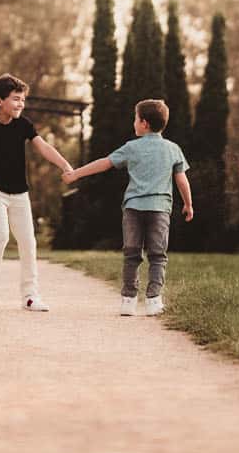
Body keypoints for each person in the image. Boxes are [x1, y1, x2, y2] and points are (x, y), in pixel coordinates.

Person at [62, 98, 193, 316]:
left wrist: (76, 174)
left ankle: (128, 300)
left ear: (143, 123)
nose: (134, 123)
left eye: (135, 119)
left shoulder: (131, 147)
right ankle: (153, 300)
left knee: (132, 254)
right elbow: (181, 180)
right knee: (158, 255)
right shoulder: (173, 149)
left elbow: (104, 163)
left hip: (133, 208)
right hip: (160, 208)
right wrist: (188, 204)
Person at [0, 73, 75, 311]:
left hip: (20, 194)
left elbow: (43, 146)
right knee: (0, 234)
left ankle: (30, 296)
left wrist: (65, 165)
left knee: (28, 242)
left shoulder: (24, 125)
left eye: (22, 99)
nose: (20, 104)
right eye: (15, 99)